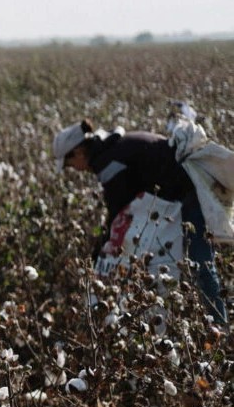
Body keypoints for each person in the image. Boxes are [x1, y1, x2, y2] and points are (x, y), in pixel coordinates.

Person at [54, 118, 227, 324]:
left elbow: (118, 212)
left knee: (201, 265)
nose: (74, 169)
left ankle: (220, 326)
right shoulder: (113, 147)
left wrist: (98, 252)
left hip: (189, 194)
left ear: (78, 152)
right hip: (180, 194)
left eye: (70, 164)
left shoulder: (109, 163)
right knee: (191, 264)